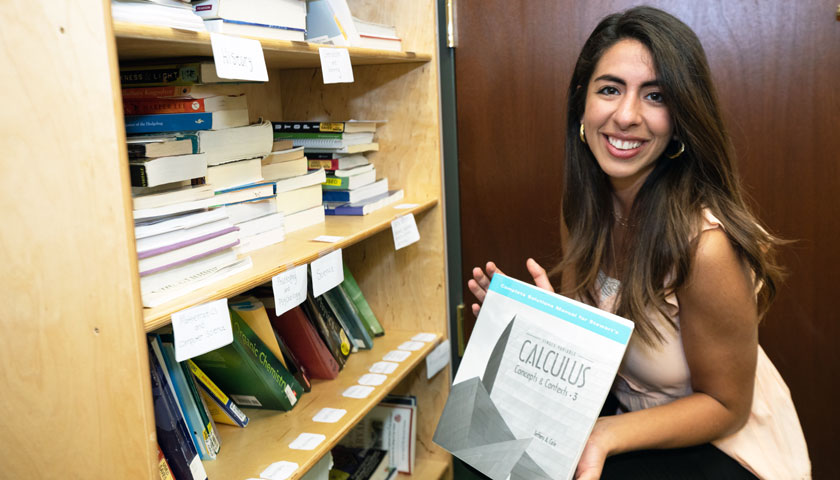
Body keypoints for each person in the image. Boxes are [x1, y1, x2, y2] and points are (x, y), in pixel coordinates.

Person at [467, 6, 810, 480]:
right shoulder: (585, 212)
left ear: (681, 120)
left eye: (655, 96)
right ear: (582, 106)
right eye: (609, 89)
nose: (626, 116)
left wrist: (603, 435)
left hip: (723, 445)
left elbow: (727, 406)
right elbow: (604, 349)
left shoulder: (706, 249)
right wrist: (543, 327)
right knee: (484, 449)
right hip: (626, 413)